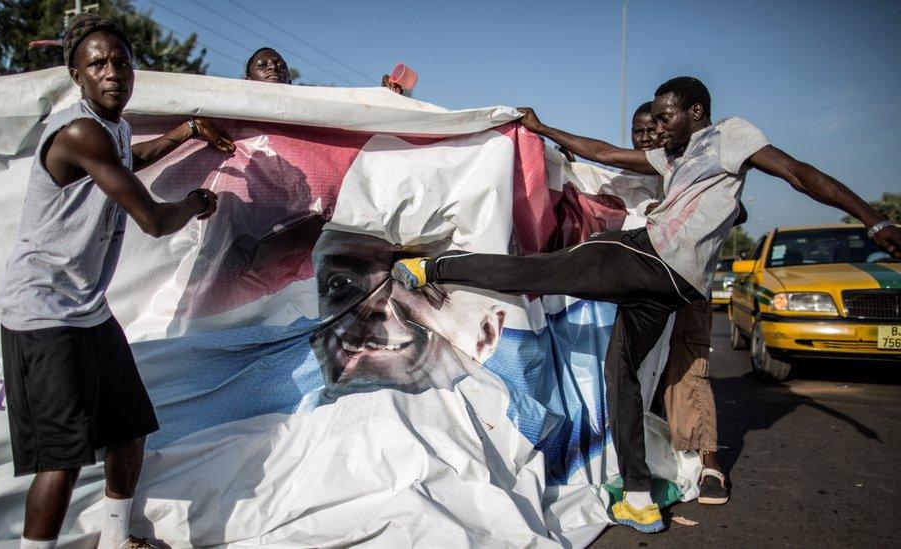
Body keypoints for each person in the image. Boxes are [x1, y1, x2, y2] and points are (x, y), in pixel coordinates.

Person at [392, 76, 901, 533]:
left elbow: (799, 173)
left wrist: (872, 220)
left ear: (695, 111)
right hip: (672, 287)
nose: (656, 128)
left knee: (539, 271)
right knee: (623, 372)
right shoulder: (672, 158)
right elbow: (607, 155)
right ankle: (638, 496)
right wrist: (545, 130)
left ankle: (431, 269)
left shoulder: (729, 135)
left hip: (651, 257)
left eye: (664, 116)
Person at [0, 13, 235, 549]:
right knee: (60, 460)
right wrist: (197, 202)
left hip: (87, 310)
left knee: (129, 428)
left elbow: (130, 158)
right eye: (97, 63)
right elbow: (151, 219)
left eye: (121, 62)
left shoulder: (113, 131)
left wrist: (186, 131)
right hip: (43, 315)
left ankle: (115, 540)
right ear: (76, 75)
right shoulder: (79, 130)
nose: (112, 72)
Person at [628, 101, 729, 505]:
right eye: (641, 131)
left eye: (656, 129)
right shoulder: (625, 173)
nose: (649, 137)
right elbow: (594, 157)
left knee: (685, 368)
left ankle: (710, 462)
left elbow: (732, 211)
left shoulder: (692, 168)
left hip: (685, 285)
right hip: (638, 288)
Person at [311, 229, 506, 403]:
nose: (370, 308)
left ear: (486, 333)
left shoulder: (517, 435)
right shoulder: (290, 433)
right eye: (340, 283)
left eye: (418, 285)